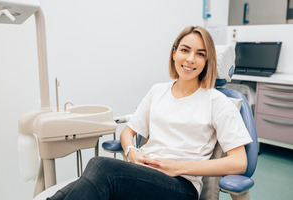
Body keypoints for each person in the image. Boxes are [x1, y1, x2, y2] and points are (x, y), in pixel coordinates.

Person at [48, 26, 252, 200]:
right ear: (174, 53)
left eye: (200, 54)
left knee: (100, 167)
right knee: (87, 179)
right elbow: (127, 133)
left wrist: (179, 168)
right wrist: (132, 152)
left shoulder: (217, 102)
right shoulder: (158, 91)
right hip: (144, 173)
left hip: (181, 186)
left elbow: (239, 162)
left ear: (207, 61)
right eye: (185, 50)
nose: (190, 59)